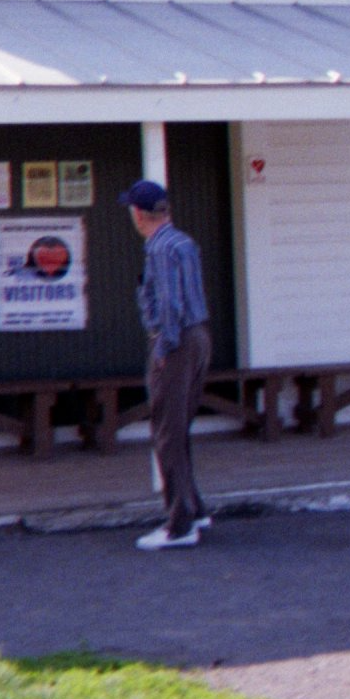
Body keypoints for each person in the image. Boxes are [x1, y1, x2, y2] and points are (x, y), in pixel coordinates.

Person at [121, 178, 212, 550]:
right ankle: (194, 507)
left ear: (139, 214)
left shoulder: (159, 248)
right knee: (180, 427)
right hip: (200, 335)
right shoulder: (183, 242)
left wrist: (163, 347)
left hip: (176, 341)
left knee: (166, 432)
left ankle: (180, 524)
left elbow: (170, 303)